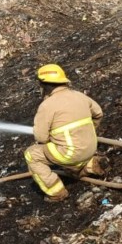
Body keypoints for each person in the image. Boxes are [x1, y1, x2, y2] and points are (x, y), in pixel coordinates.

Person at [24, 64, 104, 202]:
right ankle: (90, 165)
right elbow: (98, 113)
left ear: (44, 85)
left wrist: (53, 137)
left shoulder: (47, 105)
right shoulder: (80, 96)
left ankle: (56, 192)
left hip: (71, 154)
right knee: (67, 150)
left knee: (31, 155)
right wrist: (88, 131)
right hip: (91, 147)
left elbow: (41, 138)